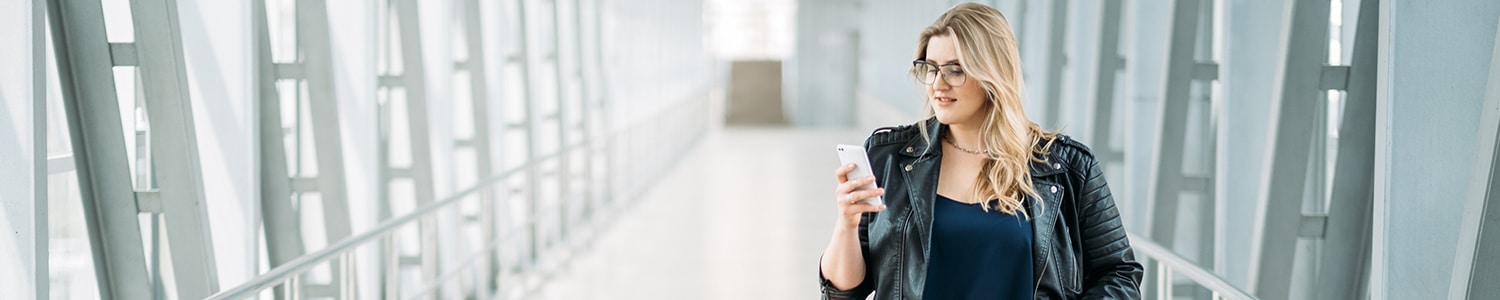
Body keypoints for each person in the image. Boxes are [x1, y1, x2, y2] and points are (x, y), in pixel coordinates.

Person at [817, 3, 1143, 299]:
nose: (937, 84)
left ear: (993, 74)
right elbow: (844, 291)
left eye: (954, 70)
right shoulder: (889, 157)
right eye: (930, 67)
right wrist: (846, 224)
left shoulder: (1066, 166)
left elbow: (1118, 273)